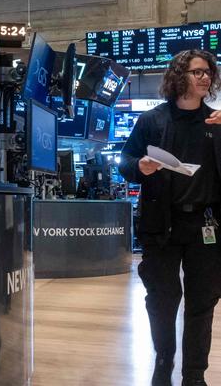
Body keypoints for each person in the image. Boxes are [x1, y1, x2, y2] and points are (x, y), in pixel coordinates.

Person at [120, 49, 221, 386]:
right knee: (162, 301)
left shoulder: (216, 122)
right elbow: (125, 160)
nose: (205, 77)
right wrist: (139, 167)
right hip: (161, 224)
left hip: (205, 226)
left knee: (202, 302)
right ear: (180, 77)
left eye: (208, 72)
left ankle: (194, 375)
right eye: (197, 72)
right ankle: (163, 363)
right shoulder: (152, 121)